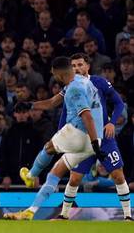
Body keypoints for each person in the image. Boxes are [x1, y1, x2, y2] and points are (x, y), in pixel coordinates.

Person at [19, 53, 131, 220]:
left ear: (88, 66)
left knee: (117, 174)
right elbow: (58, 107)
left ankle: (128, 216)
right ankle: (64, 214)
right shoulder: (72, 86)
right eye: (74, 66)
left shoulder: (96, 82)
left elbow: (118, 103)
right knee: (74, 177)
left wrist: (111, 122)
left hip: (101, 136)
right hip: (85, 135)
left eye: (80, 65)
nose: (77, 68)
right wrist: (32, 106)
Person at [4, 56, 104, 220]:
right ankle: (30, 211)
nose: (54, 77)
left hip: (81, 133)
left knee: (49, 148)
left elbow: (87, 116)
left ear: (59, 74)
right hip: (93, 139)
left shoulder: (74, 89)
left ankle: (30, 176)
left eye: (54, 74)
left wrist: (94, 142)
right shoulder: (80, 80)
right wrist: (30, 105)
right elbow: (52, 102)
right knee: (56, 171)